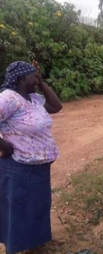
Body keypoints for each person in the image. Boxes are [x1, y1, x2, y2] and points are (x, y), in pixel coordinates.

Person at [0, 61, 62, 254]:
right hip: (19, 168)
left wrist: (42, 82)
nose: (35, 78)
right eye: (32, 76)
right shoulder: (9, 98)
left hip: (39, 167)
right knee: (20, 209)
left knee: (37, 206)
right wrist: (3, 147)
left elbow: (56, 106)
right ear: (20, 78)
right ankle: (18, 248)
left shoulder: (33, 98)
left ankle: (36, 244)